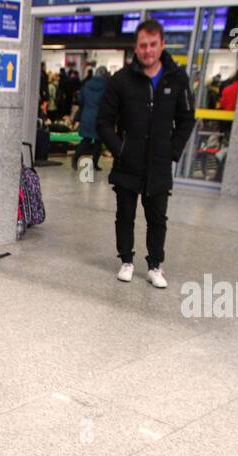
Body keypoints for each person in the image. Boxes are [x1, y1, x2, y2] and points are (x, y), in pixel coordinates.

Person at [96, 18, 195, 289]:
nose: (148, 50)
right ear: (136, 48)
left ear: (162, 44)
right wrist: (120, 149)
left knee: (157, 219)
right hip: (128, 163)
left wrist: (172, 151)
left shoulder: (177, 79)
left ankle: (155, 266)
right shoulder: (121, 80)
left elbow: (187, 119)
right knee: (124, 215)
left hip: (160, 165)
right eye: (142, 45)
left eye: (153, 45)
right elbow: (103, 122)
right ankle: (126, 260)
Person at [71, 66, 108, 172]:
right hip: (100, 117)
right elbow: (107, 102)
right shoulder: (106, 86)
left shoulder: (87, 84)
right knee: (98, 142)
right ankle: (95, 164)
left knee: (86, 140)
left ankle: (75, 157)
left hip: (87, 114)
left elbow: (81, 100)